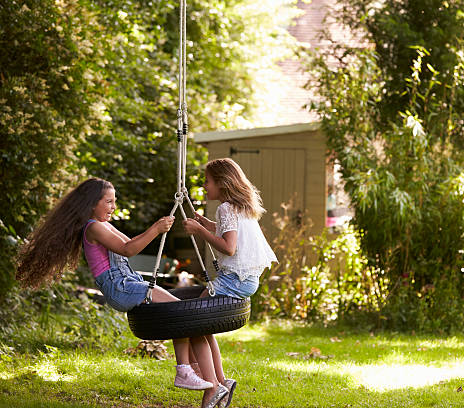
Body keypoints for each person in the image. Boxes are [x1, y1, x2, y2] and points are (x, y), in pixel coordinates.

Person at [16, 178, 229, 406]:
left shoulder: (104, 225)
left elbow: (130, 241)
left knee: (182, 312)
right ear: (91, 204)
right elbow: (127, 250)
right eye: (108, 202)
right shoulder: (94, 227)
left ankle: (209, 379)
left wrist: (155, 230)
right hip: (120, 288)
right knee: (180, 311)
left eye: (114, 201)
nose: (113, 207)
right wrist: (156, 229)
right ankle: (186, 370)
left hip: (128, 283)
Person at [182, 158, 277, 408]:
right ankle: (221, 381)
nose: (204, 186)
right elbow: (227, 231)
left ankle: (213, 387)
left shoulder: (226, 207)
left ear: (222, 183)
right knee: (202, 327)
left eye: (207, 181)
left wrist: (200, 232)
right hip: (246, 280)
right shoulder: (239, 207)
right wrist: (206, 224)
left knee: (192, 323)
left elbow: (229, 247)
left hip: (234, 279)